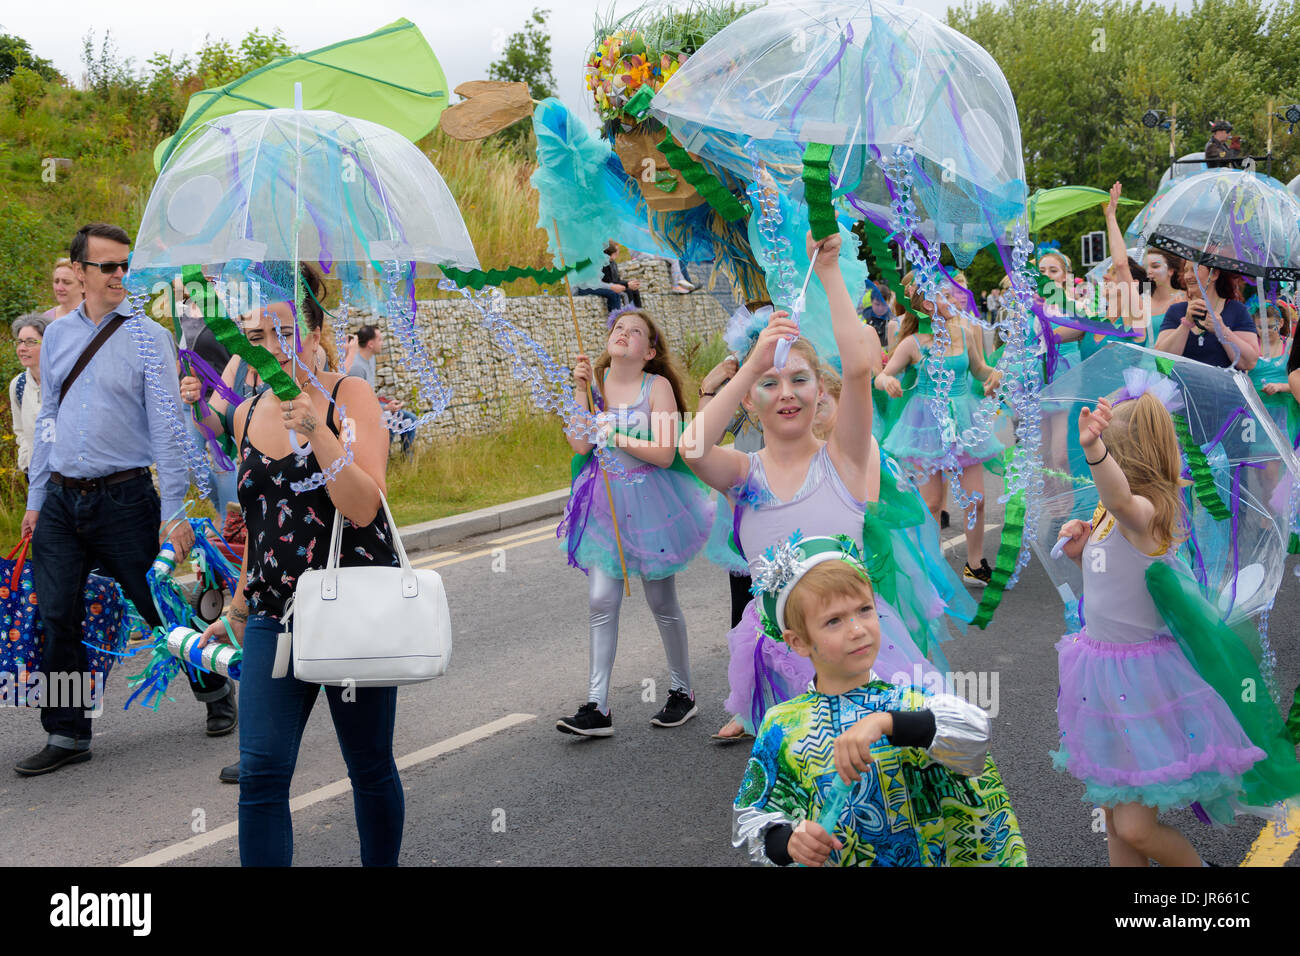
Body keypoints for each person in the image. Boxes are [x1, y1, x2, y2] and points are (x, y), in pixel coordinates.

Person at [681, 233, 973, 741]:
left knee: (874, 783)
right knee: (802, 794)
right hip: (780, 657)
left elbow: (860, 368)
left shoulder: (845, 459)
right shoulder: (743, 474)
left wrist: (832, 272)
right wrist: (754, 362)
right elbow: (692, 448)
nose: (787, 393)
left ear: (819, 392)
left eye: (800, 380)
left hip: (861, 656)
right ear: (749, 401)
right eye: (770, 384)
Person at [196, 262, 405, 866]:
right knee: (260, 773)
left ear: (314, 334)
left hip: (349, 605)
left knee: (367, 766)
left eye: (287, 332)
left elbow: (366, 508)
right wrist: (235, 608)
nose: (275, 347)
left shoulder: (351, 396)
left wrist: (320, 433)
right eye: (260, 336)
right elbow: (260, 530)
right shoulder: (244, 415)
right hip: (272, 615)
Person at [15, 222, 235, 776]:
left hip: (125, 499)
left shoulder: (149, 336)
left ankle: (212, 690)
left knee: (158, 606)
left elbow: (167, 429)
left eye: (125, 266)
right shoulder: (58, 335)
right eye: (108, 266)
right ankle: (66, 732)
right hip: (62, 501)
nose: (119, 275)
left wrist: (174, 511)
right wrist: (36, 499)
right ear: (81, 272)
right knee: (55, 614)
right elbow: (48, 420)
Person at [1051, 390, 1273, 865]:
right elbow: (1113, 576)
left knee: (1135, 825)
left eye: (1109, 446)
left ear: (1125, 456)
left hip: (1141, 683)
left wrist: (1093, 450)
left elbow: (1119, 497)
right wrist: (1082, 550)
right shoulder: (1109, 515)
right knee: (1115, 820)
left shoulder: (1148, 514)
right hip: (1100, 672)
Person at [730, 533, 1027, 867]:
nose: (857, 629)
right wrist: (788, 841)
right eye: (834, 620)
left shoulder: (910, 702)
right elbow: (753, 814)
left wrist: (886, 722)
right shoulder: (783, 726)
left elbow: (974, 735)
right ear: (798, 641)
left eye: (864, 609)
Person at [555, 306, 712, 735]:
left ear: (650, 350)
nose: (623, 334)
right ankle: (597, 707)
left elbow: (664, 452)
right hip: (604, 505)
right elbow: (580, 443)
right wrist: (580, 389)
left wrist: (617, 433)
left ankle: (683, 693)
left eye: (635, 331)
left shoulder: (656, 386)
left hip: (651, 504)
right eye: (618, 328)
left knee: (661, 602)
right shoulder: (597, 385)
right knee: (601, 602)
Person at [875, 275, 1005, 586]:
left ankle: (975, 564)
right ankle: (930, 564)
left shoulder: (963, 333)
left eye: (951, 294)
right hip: (925, 423)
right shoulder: (912, 343)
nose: (952, 300)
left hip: (963, 421)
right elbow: (883, 375)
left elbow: (980, 369)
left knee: (976, 498)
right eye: (944, 296)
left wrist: (995, 374)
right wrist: (888, 381)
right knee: (931, 502)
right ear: (926, 304)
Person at [1155, 260, 1259, 370]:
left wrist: (1222, 330)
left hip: (1223, 386)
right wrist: (1186, 324)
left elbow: (1249, 363)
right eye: (1186, 271)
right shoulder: (1176, 311)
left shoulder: (1238, 310)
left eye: (1194, 270)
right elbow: (1162, 362)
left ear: (1214, 274)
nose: (1188, 276)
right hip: (1183, 386)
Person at [346, 325, 416, 457]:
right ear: (370, 344)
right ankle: (382, 462)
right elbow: (359, 405)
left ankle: (407, 461)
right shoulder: (357, 368)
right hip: (360, 417)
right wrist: (385, 408)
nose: (383, 343)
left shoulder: (370, 358)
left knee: (410, 420)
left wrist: (386, 404)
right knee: (389, 422)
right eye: (380, 340)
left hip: (374, 408)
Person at [9, 313, 50, 479]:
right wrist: (26, 461)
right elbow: (20, 431)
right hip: (34, 475)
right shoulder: (18, 385)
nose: (22, 348)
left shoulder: (66, 381)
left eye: (31, 342)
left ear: (49, 343)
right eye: (19, 342)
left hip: (67, 479)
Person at [574, 241, 642, 315]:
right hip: (581, 288)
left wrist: (613, 286)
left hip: (591, 286)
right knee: (613, 294)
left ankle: (638, 314)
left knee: (617, 294)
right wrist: (612, 287)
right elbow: (593, 283)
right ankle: (616, 320)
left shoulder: (600, 261)